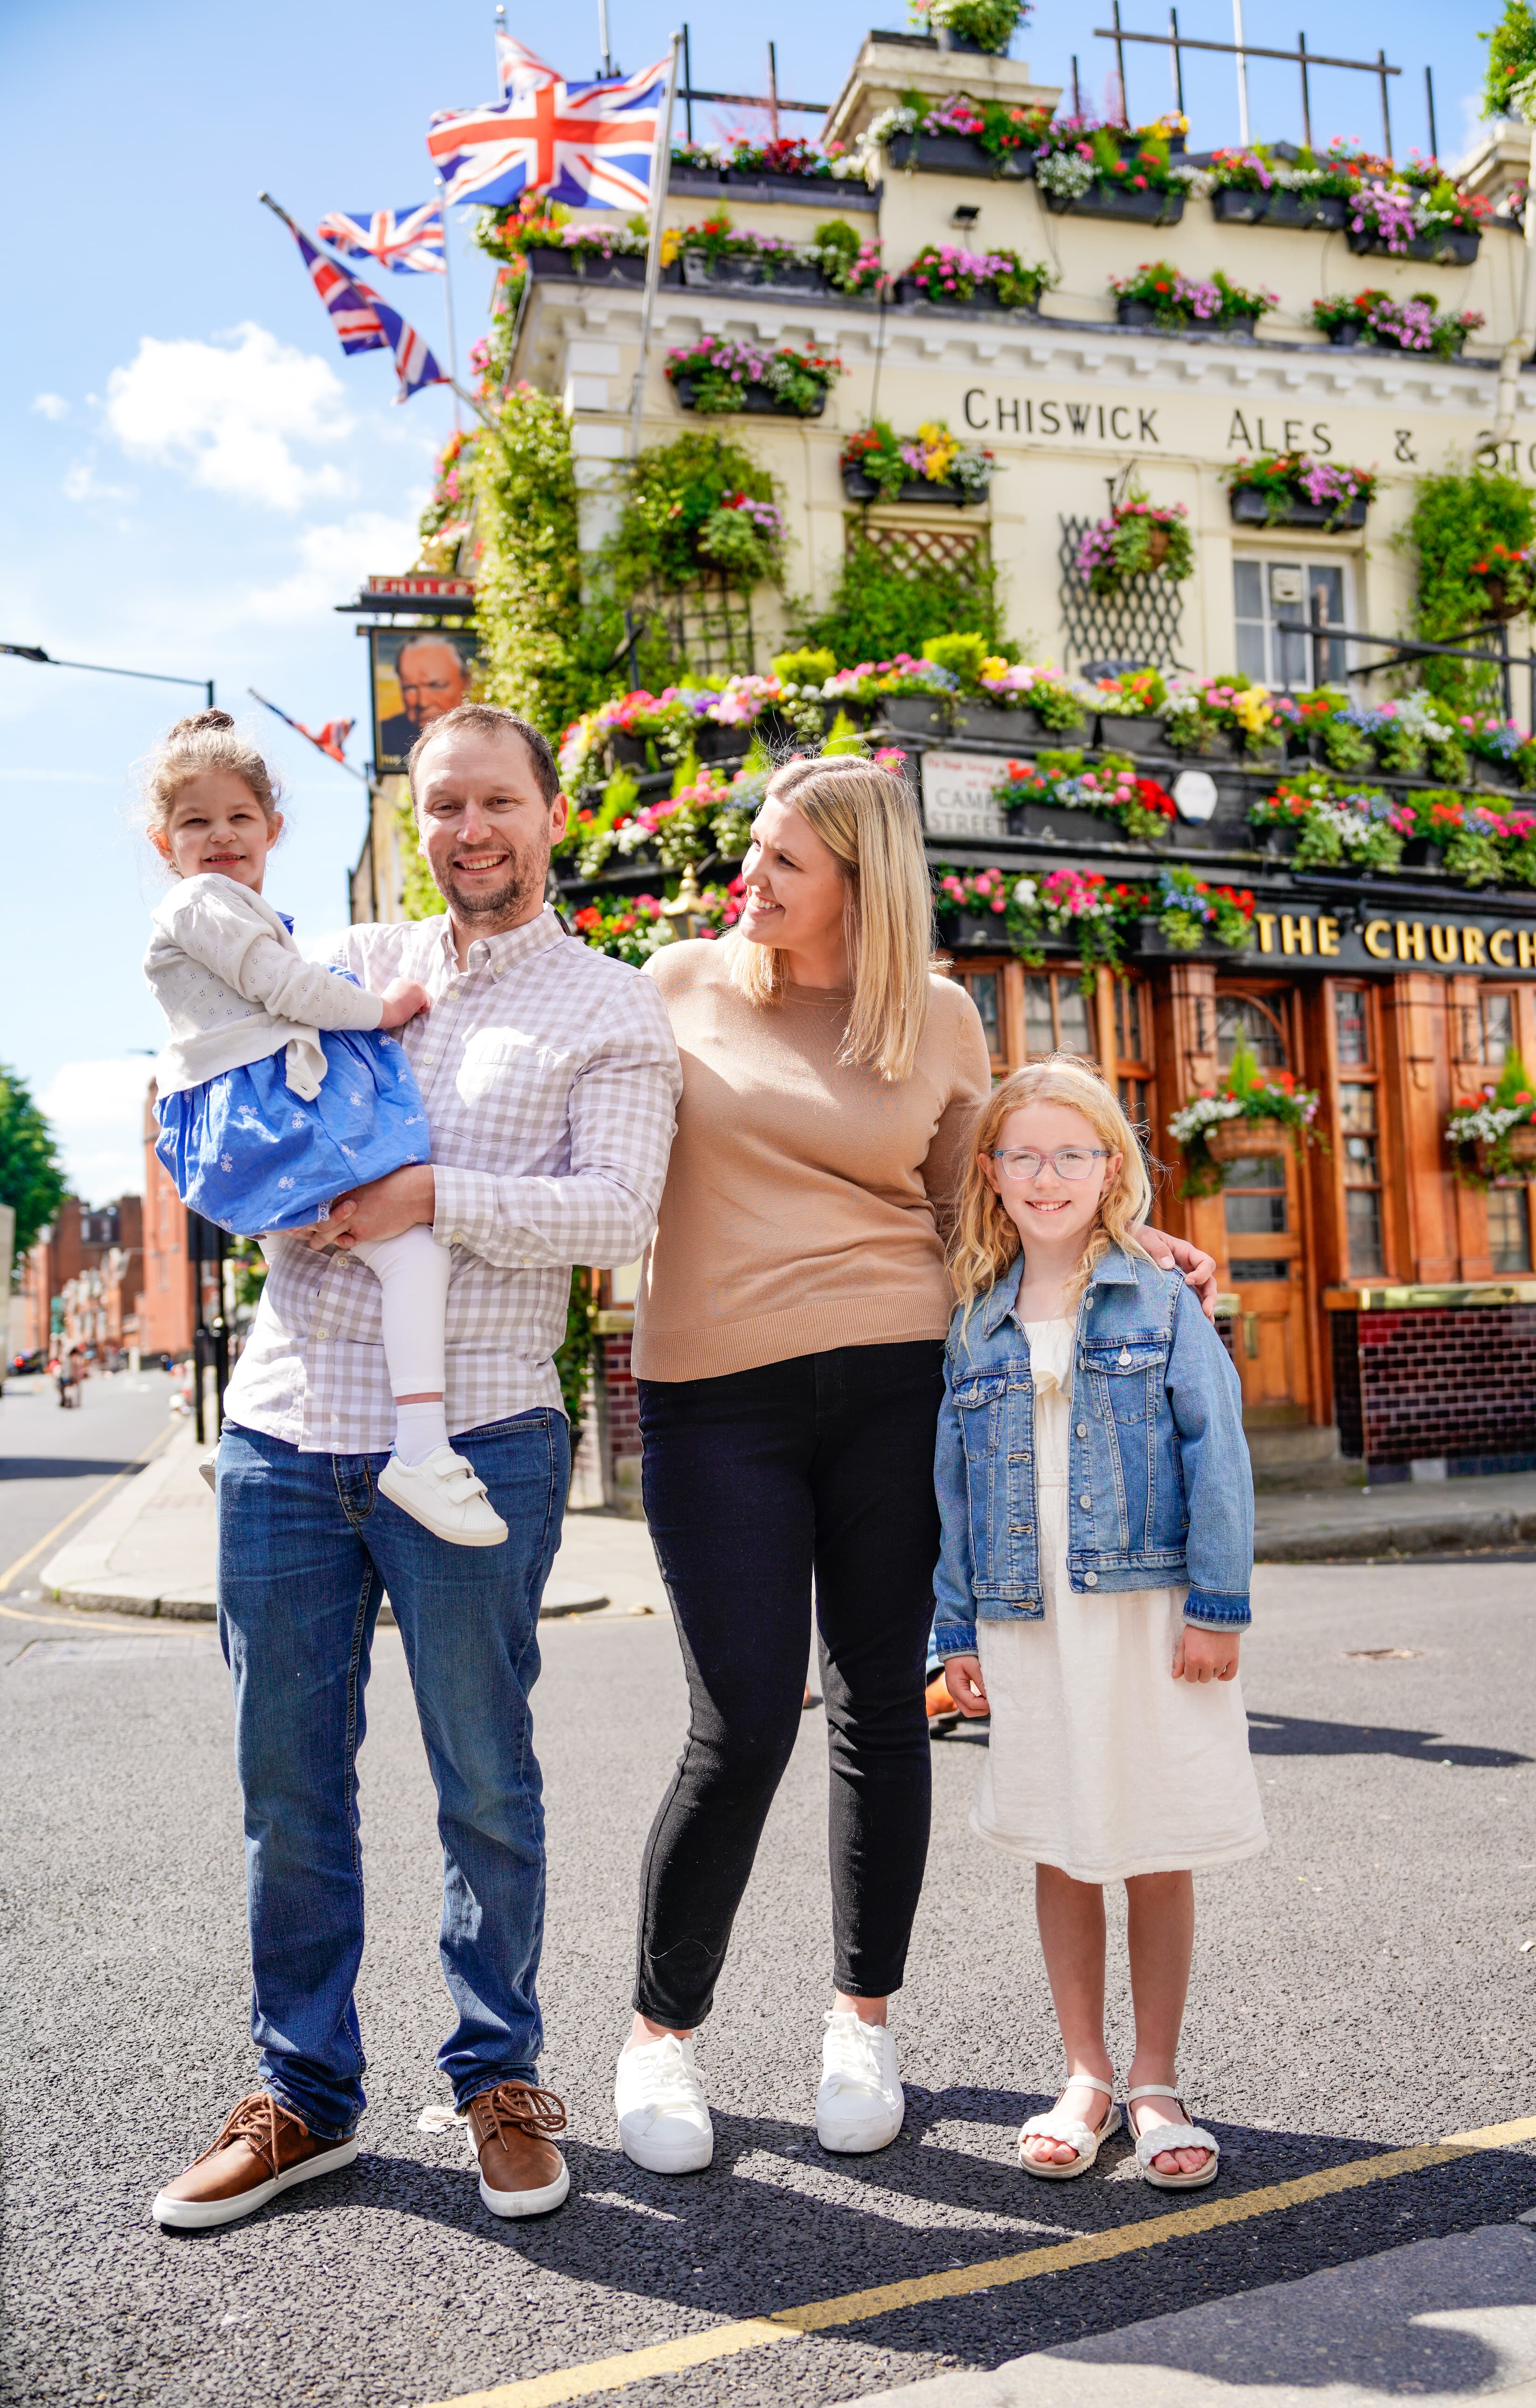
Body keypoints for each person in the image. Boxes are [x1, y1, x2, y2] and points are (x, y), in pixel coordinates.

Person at [611, 753, 1219, 2176]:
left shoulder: (938, 1021)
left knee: (882, 1704)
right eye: (751, 849)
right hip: (711, 1399)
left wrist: (1137, 1252)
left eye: (782, 865)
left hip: (900, 1387)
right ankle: (661, 2033)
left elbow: (988, 1217)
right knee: (743, 1716)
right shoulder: (677, 982)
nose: (745, 877)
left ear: (862, 889)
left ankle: (860, 2021)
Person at [151, 702, 681, 2233]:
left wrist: (428, 1195)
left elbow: (616, 1210)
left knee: (482, 1778)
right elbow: (212, 1076)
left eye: (494, 802)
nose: (467, 831)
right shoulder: (345, 957)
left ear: (548, 813)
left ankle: (496, 2076)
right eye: (441, 805)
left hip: (485, 1429)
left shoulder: (609, 1004)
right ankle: (302, 2095)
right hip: (283, 1427)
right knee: (287, 1788)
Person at [935, 1058, 1263, 2192]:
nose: (1046, 1174)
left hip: (1147, 1611)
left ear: (1110, 1168)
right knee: (1060, 1839)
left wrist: (1218, 1609)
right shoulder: (975, 1317)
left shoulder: (1158, 1298)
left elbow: (1213, 1454)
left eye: (1071, 1153)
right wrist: (955, 1631)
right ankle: (1083, 2074)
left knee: (1154, 1837)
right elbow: (954, 1494)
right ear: (989, 1172)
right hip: (1026, 1620)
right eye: (1021, 1154)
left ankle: (1156, 2081)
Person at [140, 709, 504, 1545]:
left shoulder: (224, 904)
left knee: (293, 1269)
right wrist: (384, 1007)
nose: (220, 834)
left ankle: (246, 1429)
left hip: (254, 1118)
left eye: (238, 816)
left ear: (271, 827)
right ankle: (419, 1447)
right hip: (274, 1114)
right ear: (166, 843)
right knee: (411, 1251)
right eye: (196, 821)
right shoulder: (203, 901)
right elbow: (286, 990)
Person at [377, 636, 473, 765]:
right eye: (410, 687)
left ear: (466, 682)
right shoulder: (385, 736)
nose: (422, 702)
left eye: (436, 685)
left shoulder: (489, 733)